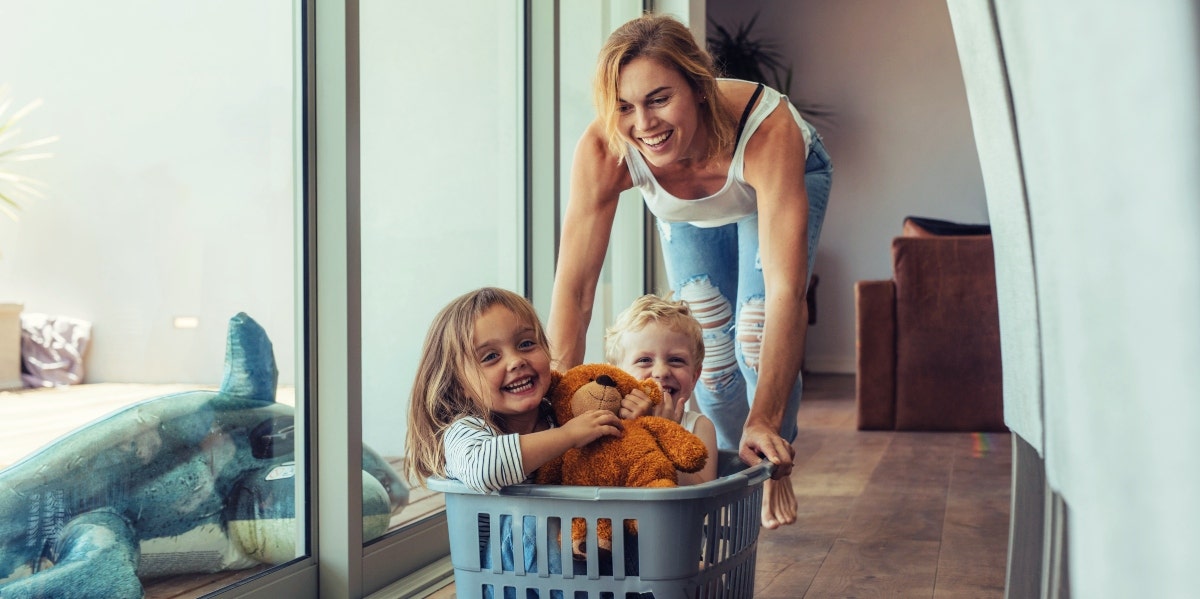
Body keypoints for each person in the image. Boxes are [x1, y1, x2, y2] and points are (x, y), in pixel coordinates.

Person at [547, 13, 834, 530]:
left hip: (778, 180)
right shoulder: (606, 147)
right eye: (624, 107)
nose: (644, 124)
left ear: (698, 87)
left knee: (753, 328)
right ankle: (729, 470)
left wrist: (766, 417)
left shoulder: (768, 128)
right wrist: (554, 406)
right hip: (691, 211)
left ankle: (770, 455)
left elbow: (787, 292)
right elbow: (576, 289)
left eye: (659, 99)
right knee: (714, 357)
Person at [405, 286, 624, 495]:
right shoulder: (466, 431)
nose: (516, 361)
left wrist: (635, 414)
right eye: (490, 356)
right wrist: (567, 435)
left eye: (526, 344)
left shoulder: (558, 414)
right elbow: (484, 470)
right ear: (459, 386)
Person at [604, 293, 718, 485]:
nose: (661, 372)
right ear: (617, 374)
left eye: (676, 360)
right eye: (644, 360)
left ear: (694, 377)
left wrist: (662, 433)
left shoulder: (699, 427)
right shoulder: (607, 421)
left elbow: (702, 494)